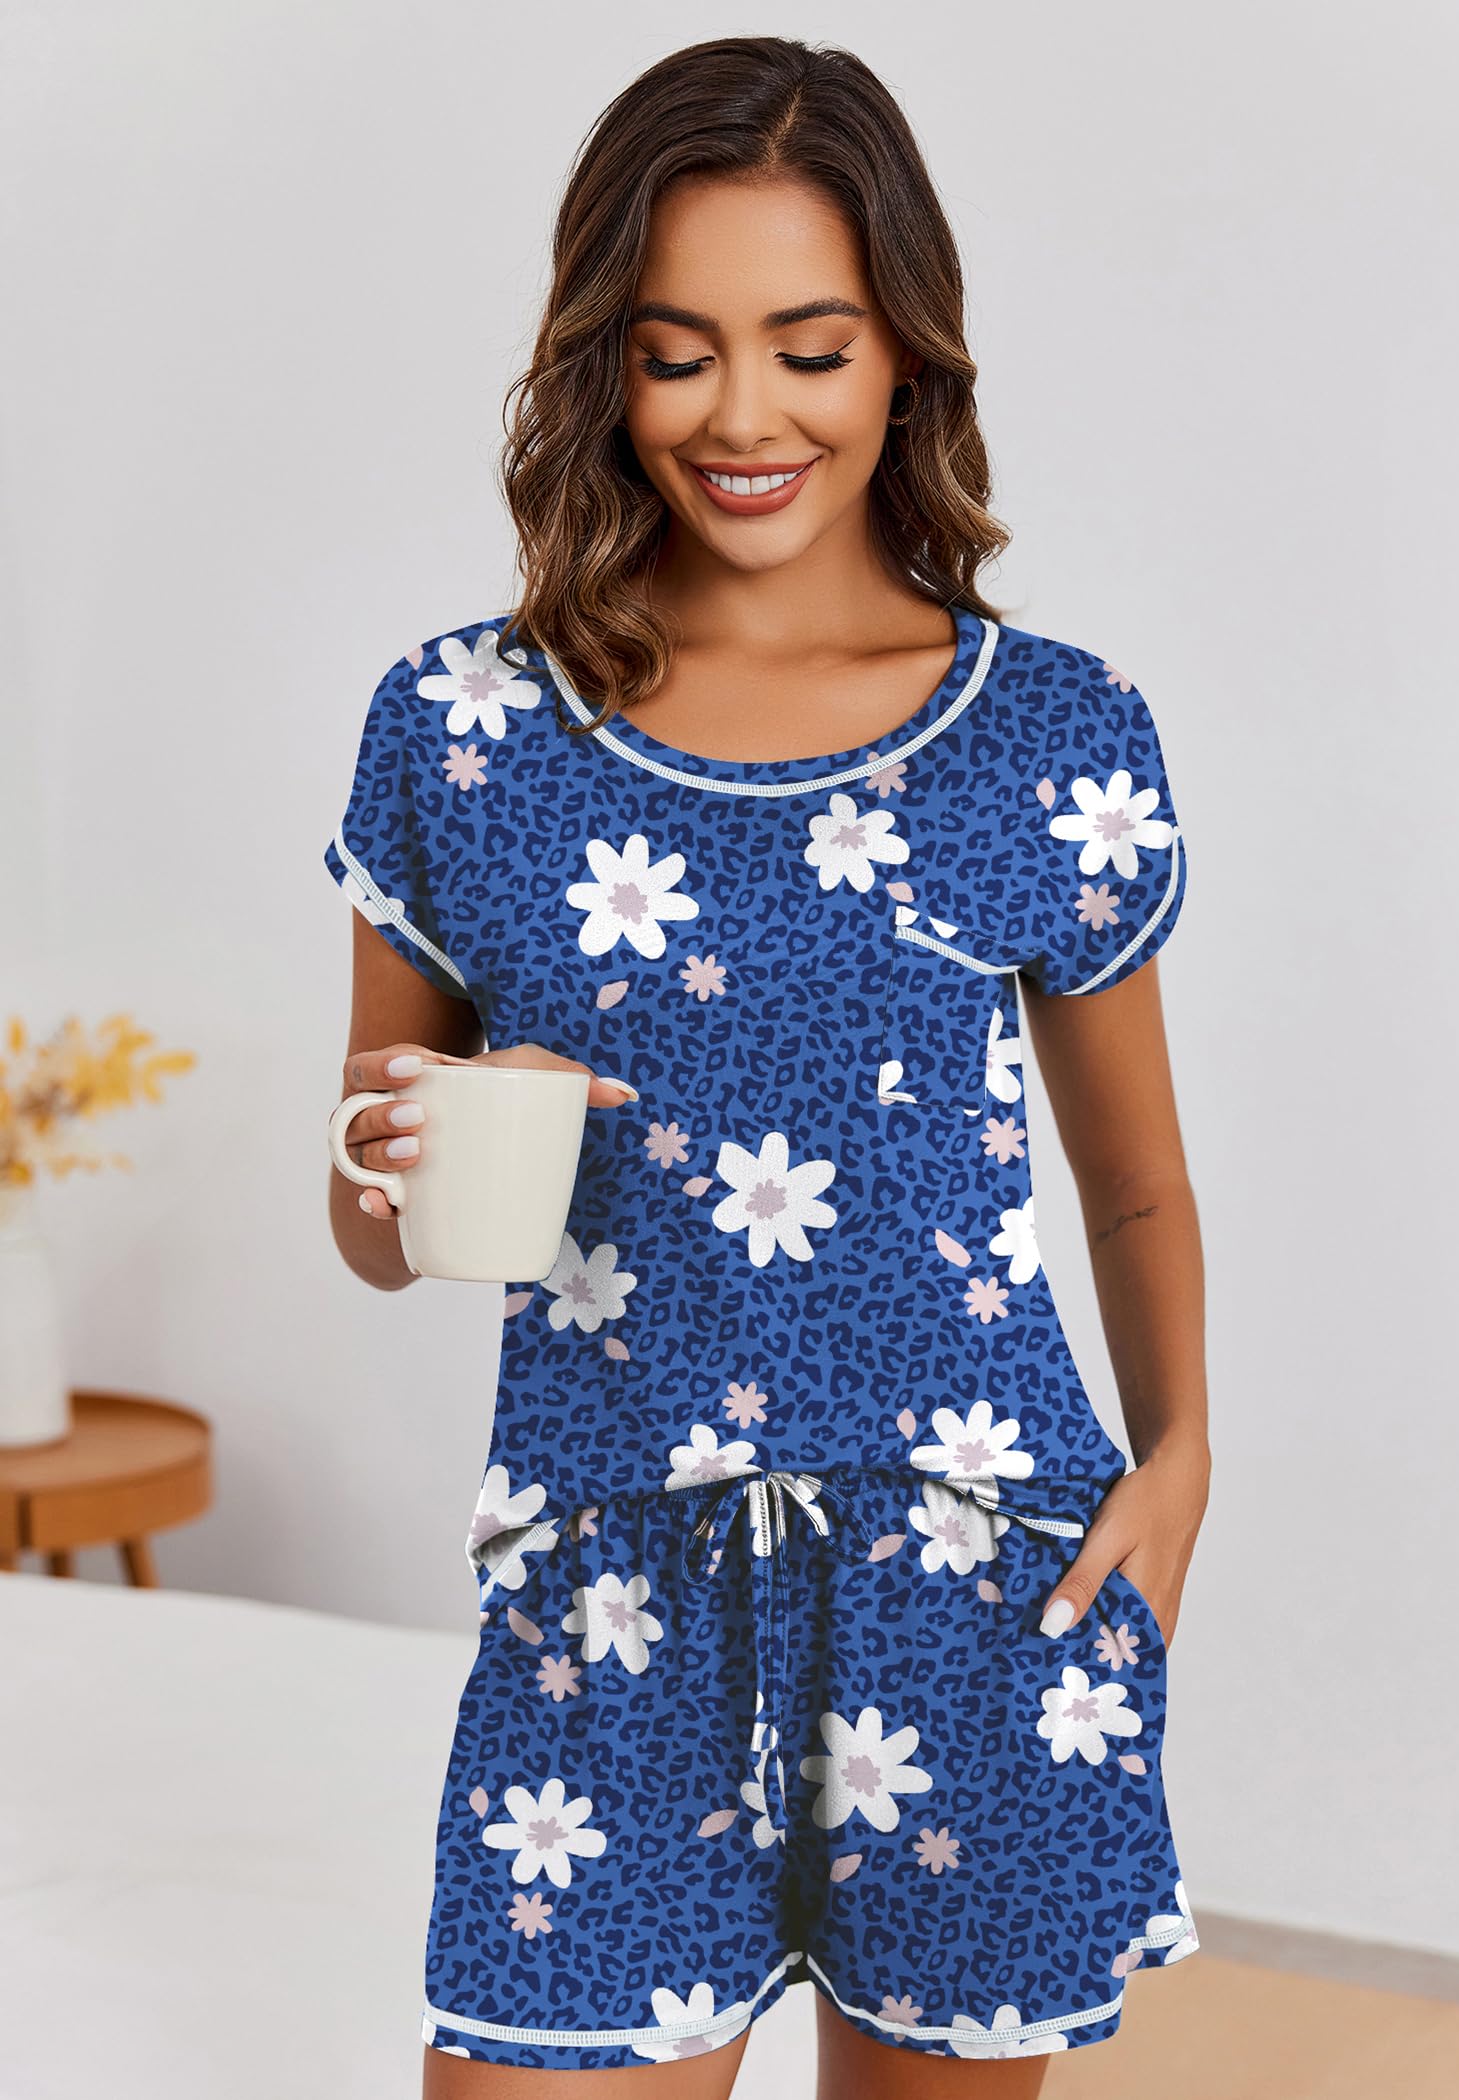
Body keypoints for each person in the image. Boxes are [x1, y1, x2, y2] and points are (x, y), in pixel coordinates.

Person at [325, 34, 1210, 2100]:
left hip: (972, 1594)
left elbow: (1135, 1183)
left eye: (810, 348)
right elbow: (376, 1230)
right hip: (607, 1600)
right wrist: (390, 1163)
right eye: (676, 352)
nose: (743, 415)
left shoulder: (1051, 733)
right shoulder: (460, 730)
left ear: (907, 354)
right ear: (602, 365)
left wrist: (1179, 1470)